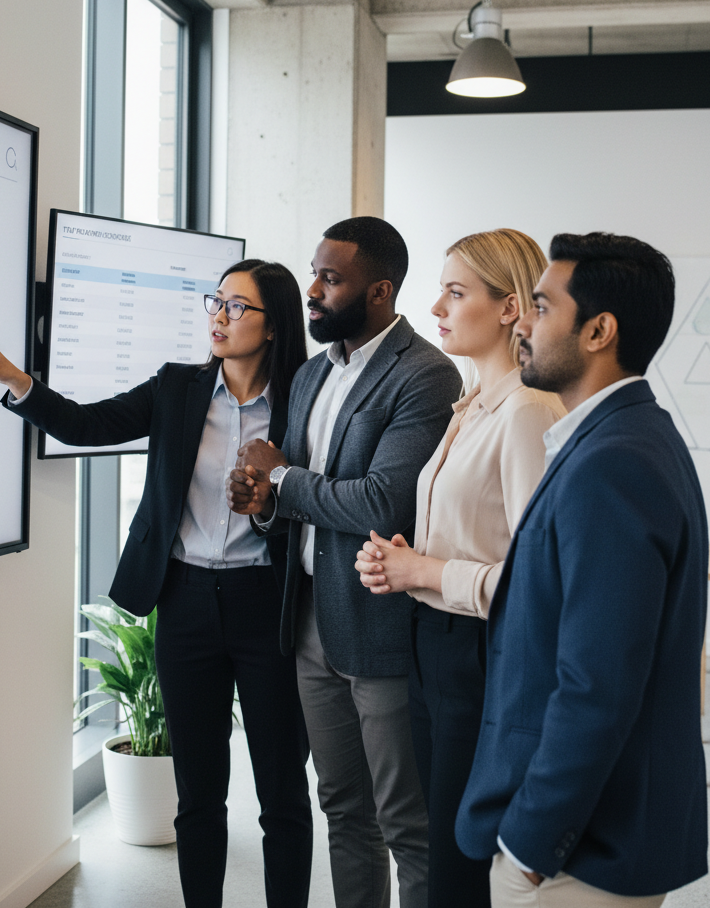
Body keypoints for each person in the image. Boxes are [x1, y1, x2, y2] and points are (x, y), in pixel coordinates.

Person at [0, 259, 314, 908]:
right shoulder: (178, 388)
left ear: (272, 326)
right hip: (183, 605)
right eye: (216, 301)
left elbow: (315, 505)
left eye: (237, 307)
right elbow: (86, 425)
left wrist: (271, 499)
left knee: (283, 796)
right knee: (198, 796)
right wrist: (16, 379)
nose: (219, 315)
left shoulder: (306, 401)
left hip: (268, 606)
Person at [455, 233, 708, 907]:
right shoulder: (619, 438)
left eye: (540, 306)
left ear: (599, 330)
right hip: (590, 837)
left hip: (580, 853)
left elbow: (597, 685)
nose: (524, 324)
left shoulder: (613, 463)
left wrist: (531, 846)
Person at [228, 218, 463, 908]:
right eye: (314, 273)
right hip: (307, 622)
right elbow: (292, 492)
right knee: (342, 808)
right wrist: (263, 502)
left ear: (381, 291)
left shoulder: (425, 373)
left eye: (331, 279)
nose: (312, 291)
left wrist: (284, 483)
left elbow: (382, 502)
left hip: (379, 627)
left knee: (406, 823)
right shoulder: (307, 376)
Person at [354, 229, 565, 908]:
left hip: (479, 654)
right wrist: (398, 563)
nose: (437, 306)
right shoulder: (471, 404)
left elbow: (540, 584)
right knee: (442, 841)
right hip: (435, 645)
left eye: (456, 291)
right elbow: (464, 536)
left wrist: (423, 571)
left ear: (510, 308)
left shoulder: (528, 410)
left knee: (460, 861)